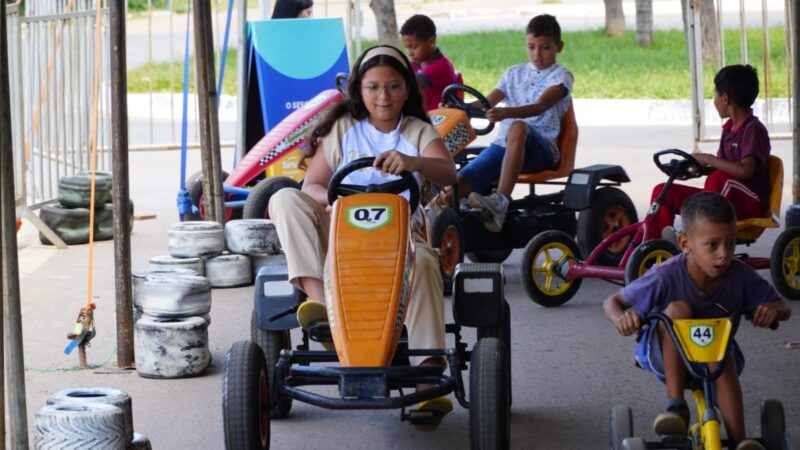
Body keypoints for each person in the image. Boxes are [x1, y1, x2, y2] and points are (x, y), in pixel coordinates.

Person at [268, 44, 457, 419]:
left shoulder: (417, 131)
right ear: (359, 90)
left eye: (392, 86)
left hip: (401, 235)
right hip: (343, 233)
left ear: (406, 90)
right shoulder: (344, 129)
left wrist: (413, 162)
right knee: (284, 198)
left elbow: (448, 172)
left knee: (423, 263)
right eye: (373, 87)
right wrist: (334, 201)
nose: (383, 96)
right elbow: (312, 185)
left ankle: (426, 379)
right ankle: (321, 307)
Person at [602, 192, 791, 450]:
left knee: (720, 350)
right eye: (712, 245)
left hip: (716, 357)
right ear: (684, 243)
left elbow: (783, 307)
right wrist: (622, 318)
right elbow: (612, 302)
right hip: (667, 354)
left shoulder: (740, 276)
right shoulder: (666, 275)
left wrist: (771, 310)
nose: (724, 254)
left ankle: (739, 441)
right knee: (678, 309)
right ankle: (675, 407)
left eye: (731, 243)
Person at [431, 14, 573, 232]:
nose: (537, 54)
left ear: (559, 47)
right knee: (457, 186)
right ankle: (432, 224)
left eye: (544, 47)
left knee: (518, 127)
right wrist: (457, 107)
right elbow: (486, 102)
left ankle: (500, 203)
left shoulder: (561, 76)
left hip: (540, 150)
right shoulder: (514, 73)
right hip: (503, 147)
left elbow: (540, 106)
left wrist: (507, 113)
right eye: (531, 47)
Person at [645, 64, 771, 241]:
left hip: (749, 202)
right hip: (724, 197)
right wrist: (698, 169)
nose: (714, 100)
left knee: (717, 179)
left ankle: (694, 237)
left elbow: (745, 171)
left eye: (715, 95)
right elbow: (722, 168)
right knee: (663, 192)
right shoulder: (728, 130)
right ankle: (655, 246)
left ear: (725, 98)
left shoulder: (753, 129)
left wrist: (707, 158)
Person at [399, 14, 460, 112]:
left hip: (438, 119)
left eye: (413, 47)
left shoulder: (442, 66)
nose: (409, 53)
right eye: (407, 48)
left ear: (431, 42)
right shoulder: (417, 63)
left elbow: (410, 82)